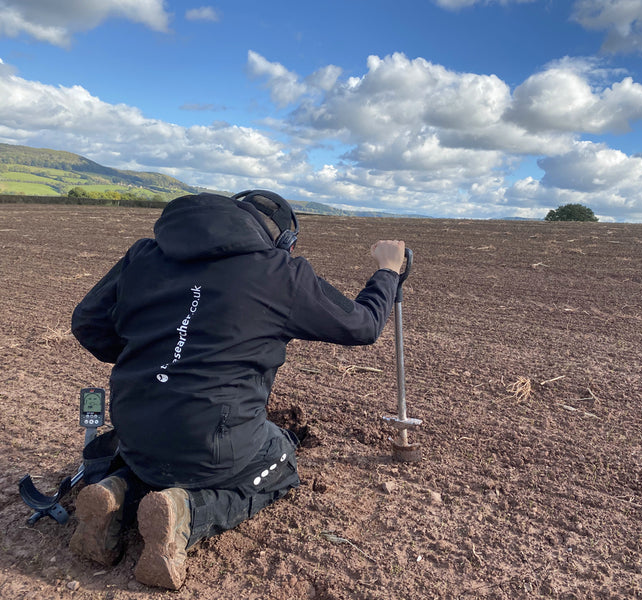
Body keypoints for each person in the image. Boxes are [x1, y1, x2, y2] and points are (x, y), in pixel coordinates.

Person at [68, 190, 405, 589]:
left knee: (159, 455)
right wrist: (388, 271)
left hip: (133, 429)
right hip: (213, 443)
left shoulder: (144, 255)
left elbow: (87, 324)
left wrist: (150, 355)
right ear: (283, 241)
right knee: (280, 458)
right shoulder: (280, 273)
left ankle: (118, 491)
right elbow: (363, 325)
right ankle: (185, 514)